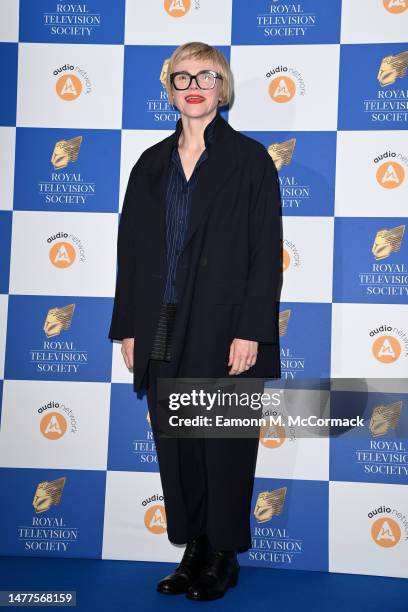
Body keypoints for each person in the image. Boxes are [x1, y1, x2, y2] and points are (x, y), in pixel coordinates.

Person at [108, 41, 282, 602]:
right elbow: (130, 252)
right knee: (177, 445)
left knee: (222, 442)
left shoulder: (250, 160)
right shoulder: (149, 164)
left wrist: (253, 328)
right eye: (182, 77)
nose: (194, 86)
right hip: (160, 323)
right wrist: (128, 326)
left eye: (206, 75)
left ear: (222, 86)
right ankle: (193, 549)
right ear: (170, 89)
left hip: (226, 323)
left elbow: (265, 251)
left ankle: (223, 555)